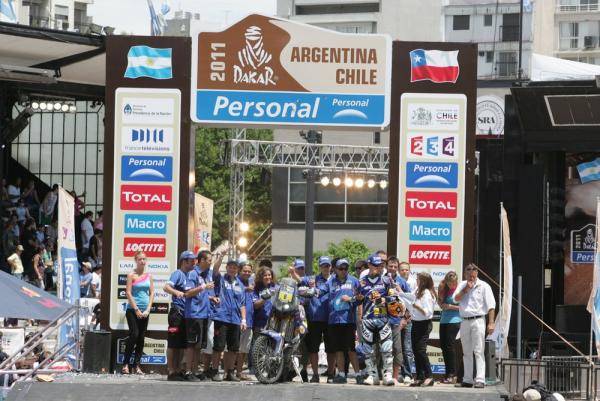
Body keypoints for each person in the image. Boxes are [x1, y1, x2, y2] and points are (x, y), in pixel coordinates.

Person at [453, 263, 496, 389]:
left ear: (477, 273)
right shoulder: (462, 284)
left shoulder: (484, 286)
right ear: (465, 274)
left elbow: (491, 306)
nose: (471, 278)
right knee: (466, 352)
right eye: (469, 275)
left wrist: (491, 322)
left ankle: (480, 379)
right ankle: (467, 379)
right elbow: (455, 299)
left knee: (479, 350)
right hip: (464, 320)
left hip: (478, 320)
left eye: (473, 275)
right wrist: (466, 289)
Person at [357, 254, 397, 386]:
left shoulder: (386, 281)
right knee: (368, 349)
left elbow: (394, 299)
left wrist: (385, 299)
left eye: (381, 265)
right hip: (368, 319)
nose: (379, 268)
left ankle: (387, 375)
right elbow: (357, 300)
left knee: (386, 348)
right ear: (369, 265)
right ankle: (372, 375)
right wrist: (354, 299)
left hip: (383, 319)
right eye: (375, 265)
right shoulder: (362, 282)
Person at [296, 255, 335, 383]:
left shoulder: (335, 280)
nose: (326, 268)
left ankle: (331, 374)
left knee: (331, 348)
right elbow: (299, 280)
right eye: (323, 266)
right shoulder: (312, 279)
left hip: (331, 318)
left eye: (327, 265)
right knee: (313, 348)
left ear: (331, 267)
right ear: (319, 267)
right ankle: (315, 375)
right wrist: (292, 273)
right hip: (314, 318)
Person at [325, 258, 362, 384]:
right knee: (338, 349)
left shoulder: (354, 281)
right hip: (334, 320)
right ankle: (341, 374)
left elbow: (361, 298)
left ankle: (358, 375)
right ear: (335, 269)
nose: (343, 271)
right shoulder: (330, 282)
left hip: (348, 320)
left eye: (345, 268)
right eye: (341, 268)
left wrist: (351, 299)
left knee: (351, 348)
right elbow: (321, 292)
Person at [210, 259, 247, 382]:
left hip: (236, 320)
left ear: (237, 270)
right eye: (230, 267)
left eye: (235, 267)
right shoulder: (220, 279)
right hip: (222, 317)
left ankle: (230, 373)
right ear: (226, 268)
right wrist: (221, 256)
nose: (232, 269)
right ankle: (215, 371)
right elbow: (215, 269)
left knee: (233, 348)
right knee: (218, 346)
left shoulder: (240, 284)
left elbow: (242, 304)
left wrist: (244, 320)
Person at [163, 251, 195, 381]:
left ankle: (178, 370)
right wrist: (176, 292)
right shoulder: (178, 274)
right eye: (191, 260)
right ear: (184, 261)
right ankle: (171, 371)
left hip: (186, 314)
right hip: (176, 313)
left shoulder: (190, 276)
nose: (194, 262)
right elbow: (166, 287)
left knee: (181, 345)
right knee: (173, 343)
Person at [181, 250, 212, 381]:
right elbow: (187, 293)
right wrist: (203, 287)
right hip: (194, 314)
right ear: (202, 260)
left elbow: (203, 293)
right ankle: (188, 371)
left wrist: (212, 298)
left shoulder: (207, 275)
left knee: (199, 345)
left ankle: (194, 370)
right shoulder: (193, 273)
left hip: (204, 314)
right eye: (209, 260)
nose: (211, 262)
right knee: (191, 345)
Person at [123, 251, 155, 375]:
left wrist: (147, 309)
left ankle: (136, 366)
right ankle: (125, 364)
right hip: (132, 310)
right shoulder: (131, 275)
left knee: (141, 338)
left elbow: (152, 293)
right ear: (136, 260)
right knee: (134, 335)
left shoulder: (149, 275)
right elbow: (128, 292)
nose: (142, 261)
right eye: (140, 259)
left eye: (144, 259)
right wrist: (136, 309)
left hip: (145, 311)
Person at [386, 256, 411, 382]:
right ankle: (383, 374)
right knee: (383, 348)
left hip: (397, 321)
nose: (393, 268)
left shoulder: (402, 281)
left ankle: (395, 376)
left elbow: (410, 302)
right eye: (391, 266)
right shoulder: (381, 279)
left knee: (397, 348)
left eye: (395, 266)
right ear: (387, 266)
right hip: (383, 320)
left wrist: (404, 320)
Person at [410, 272, 436, 387]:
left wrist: (416, 306)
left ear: (423, 281)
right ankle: (420, 376)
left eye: (418, 279)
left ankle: (429, 376)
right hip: (415, 323)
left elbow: (427, 313)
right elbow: (408, 297)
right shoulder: (417, 290)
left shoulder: (426, 293)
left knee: (421, 350)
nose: (416, 280)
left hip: (424, 324)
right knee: (415, 350)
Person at [438, 271, 462, 384]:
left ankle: (452, 375)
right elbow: (441, 304)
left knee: (449, 346)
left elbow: (463, 307)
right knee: (443, 346)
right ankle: (447, 374)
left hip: (455, 320)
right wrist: (442, 303)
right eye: (449, 283)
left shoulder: (460, 288)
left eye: (453, 283)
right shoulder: (442, 286)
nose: (452, 285)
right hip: (444, 320)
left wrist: (450, 306)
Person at [236, 262, 254, 380]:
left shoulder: (251, 283)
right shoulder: (236, 281)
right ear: (239, 271)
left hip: (249, 321)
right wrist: (246, 289)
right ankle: (230, 371)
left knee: (244, 349)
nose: (247, 273)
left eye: (249, 271)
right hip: (237, 320)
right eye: (245, 271)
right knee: (234, 348)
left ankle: (239, 372)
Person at [399, 261, 416, 383]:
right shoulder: (396, 282)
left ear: (409, 270)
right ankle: (399, 373)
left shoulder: (414, 282)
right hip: (396, 319)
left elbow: (413, 301)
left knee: (407, 348)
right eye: (402, 269)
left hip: (408, 319)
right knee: (396, 348)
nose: (404, 271)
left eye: (406, 269)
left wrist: (406, 317)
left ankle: (408, 374)